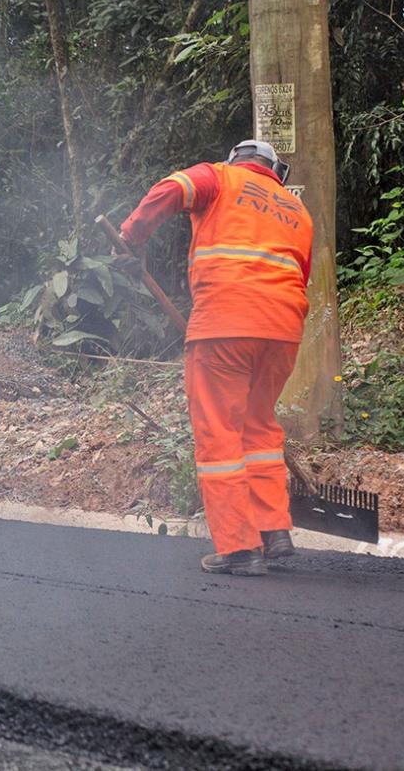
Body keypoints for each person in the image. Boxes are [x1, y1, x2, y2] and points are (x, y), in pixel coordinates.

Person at [119, 140, 313, 576]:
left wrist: (131, 237)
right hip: (283, 330)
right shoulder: (297, 209)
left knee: (219, 435)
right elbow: (302, 276)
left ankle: (239, 549)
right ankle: (272, 531)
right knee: (258, 426)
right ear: (275, 171)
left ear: (236, 160)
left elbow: (169, 190)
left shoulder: (218, 177)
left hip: (225, 324)